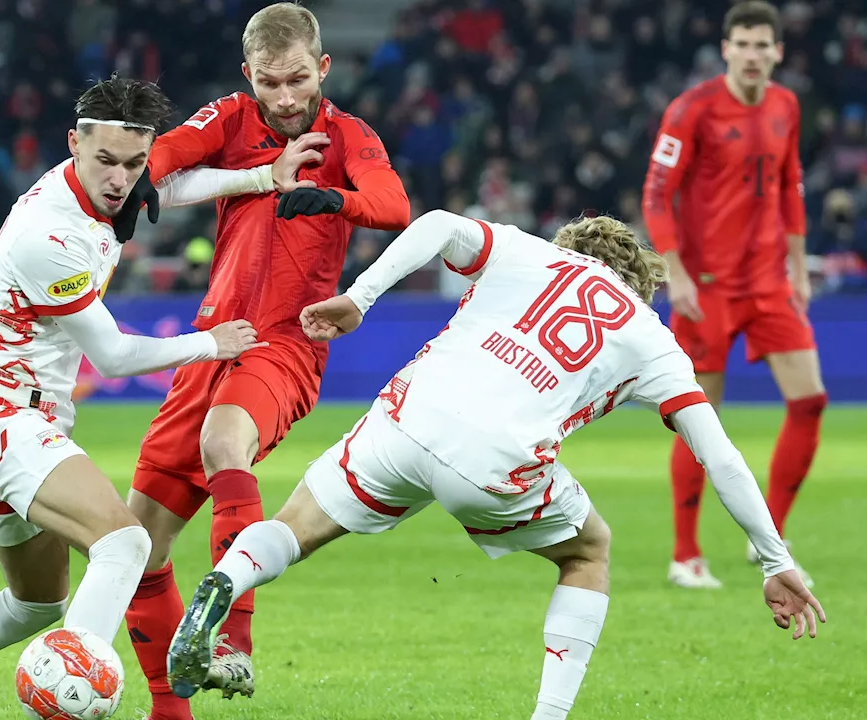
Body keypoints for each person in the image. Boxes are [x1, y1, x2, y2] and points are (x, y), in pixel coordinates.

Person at [165, 210, 827, 720]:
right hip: (498, 460)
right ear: (638, 284)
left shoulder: (526, 251)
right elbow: (720, 455)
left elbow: (439, 226)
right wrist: (774, 560)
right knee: (589, 551)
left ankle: (223, 580)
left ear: (570, 246)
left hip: (410, 412)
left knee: (295, 525)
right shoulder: (650, 335)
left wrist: (361, 298)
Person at [0, 76, 282, 720]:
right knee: (125, 545)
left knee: (33, 607)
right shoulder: (48, 233)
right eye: (106, 161)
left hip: (15, 416)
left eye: (132, 163)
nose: (121, 179)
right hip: (3, 417)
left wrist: (262, 178)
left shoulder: (105, 187)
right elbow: (116, 357)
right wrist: (210, 343)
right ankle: (80, 704)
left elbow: (165, 188)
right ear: (73, 142)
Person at [121, 5, 411, 715]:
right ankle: (171, 708)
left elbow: (394, 206)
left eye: (298, 81)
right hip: (211, 343)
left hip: (286, 343)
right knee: (134, 553)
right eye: (271, 84)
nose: (286, 99)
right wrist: (131, 186)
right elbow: (161, 156)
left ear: (324, 69)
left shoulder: (347, 135)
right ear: (248, 75)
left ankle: (233, 644)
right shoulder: (230, 117)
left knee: (225, 442)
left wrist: (332, 197)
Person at [641, 1, 823, 589]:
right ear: (725, 49)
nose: (752, 55)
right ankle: (685, 555)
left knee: (810, 401)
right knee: (701, 418)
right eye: (741, 44)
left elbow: (790, 186)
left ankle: (769, 533)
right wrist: (678, 273)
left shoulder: (786, 106)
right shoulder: (692, 109)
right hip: (709, 287)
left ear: (778, 52)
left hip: (769, 281)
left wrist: (797, 268)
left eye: (761, 45)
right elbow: (655, 196)